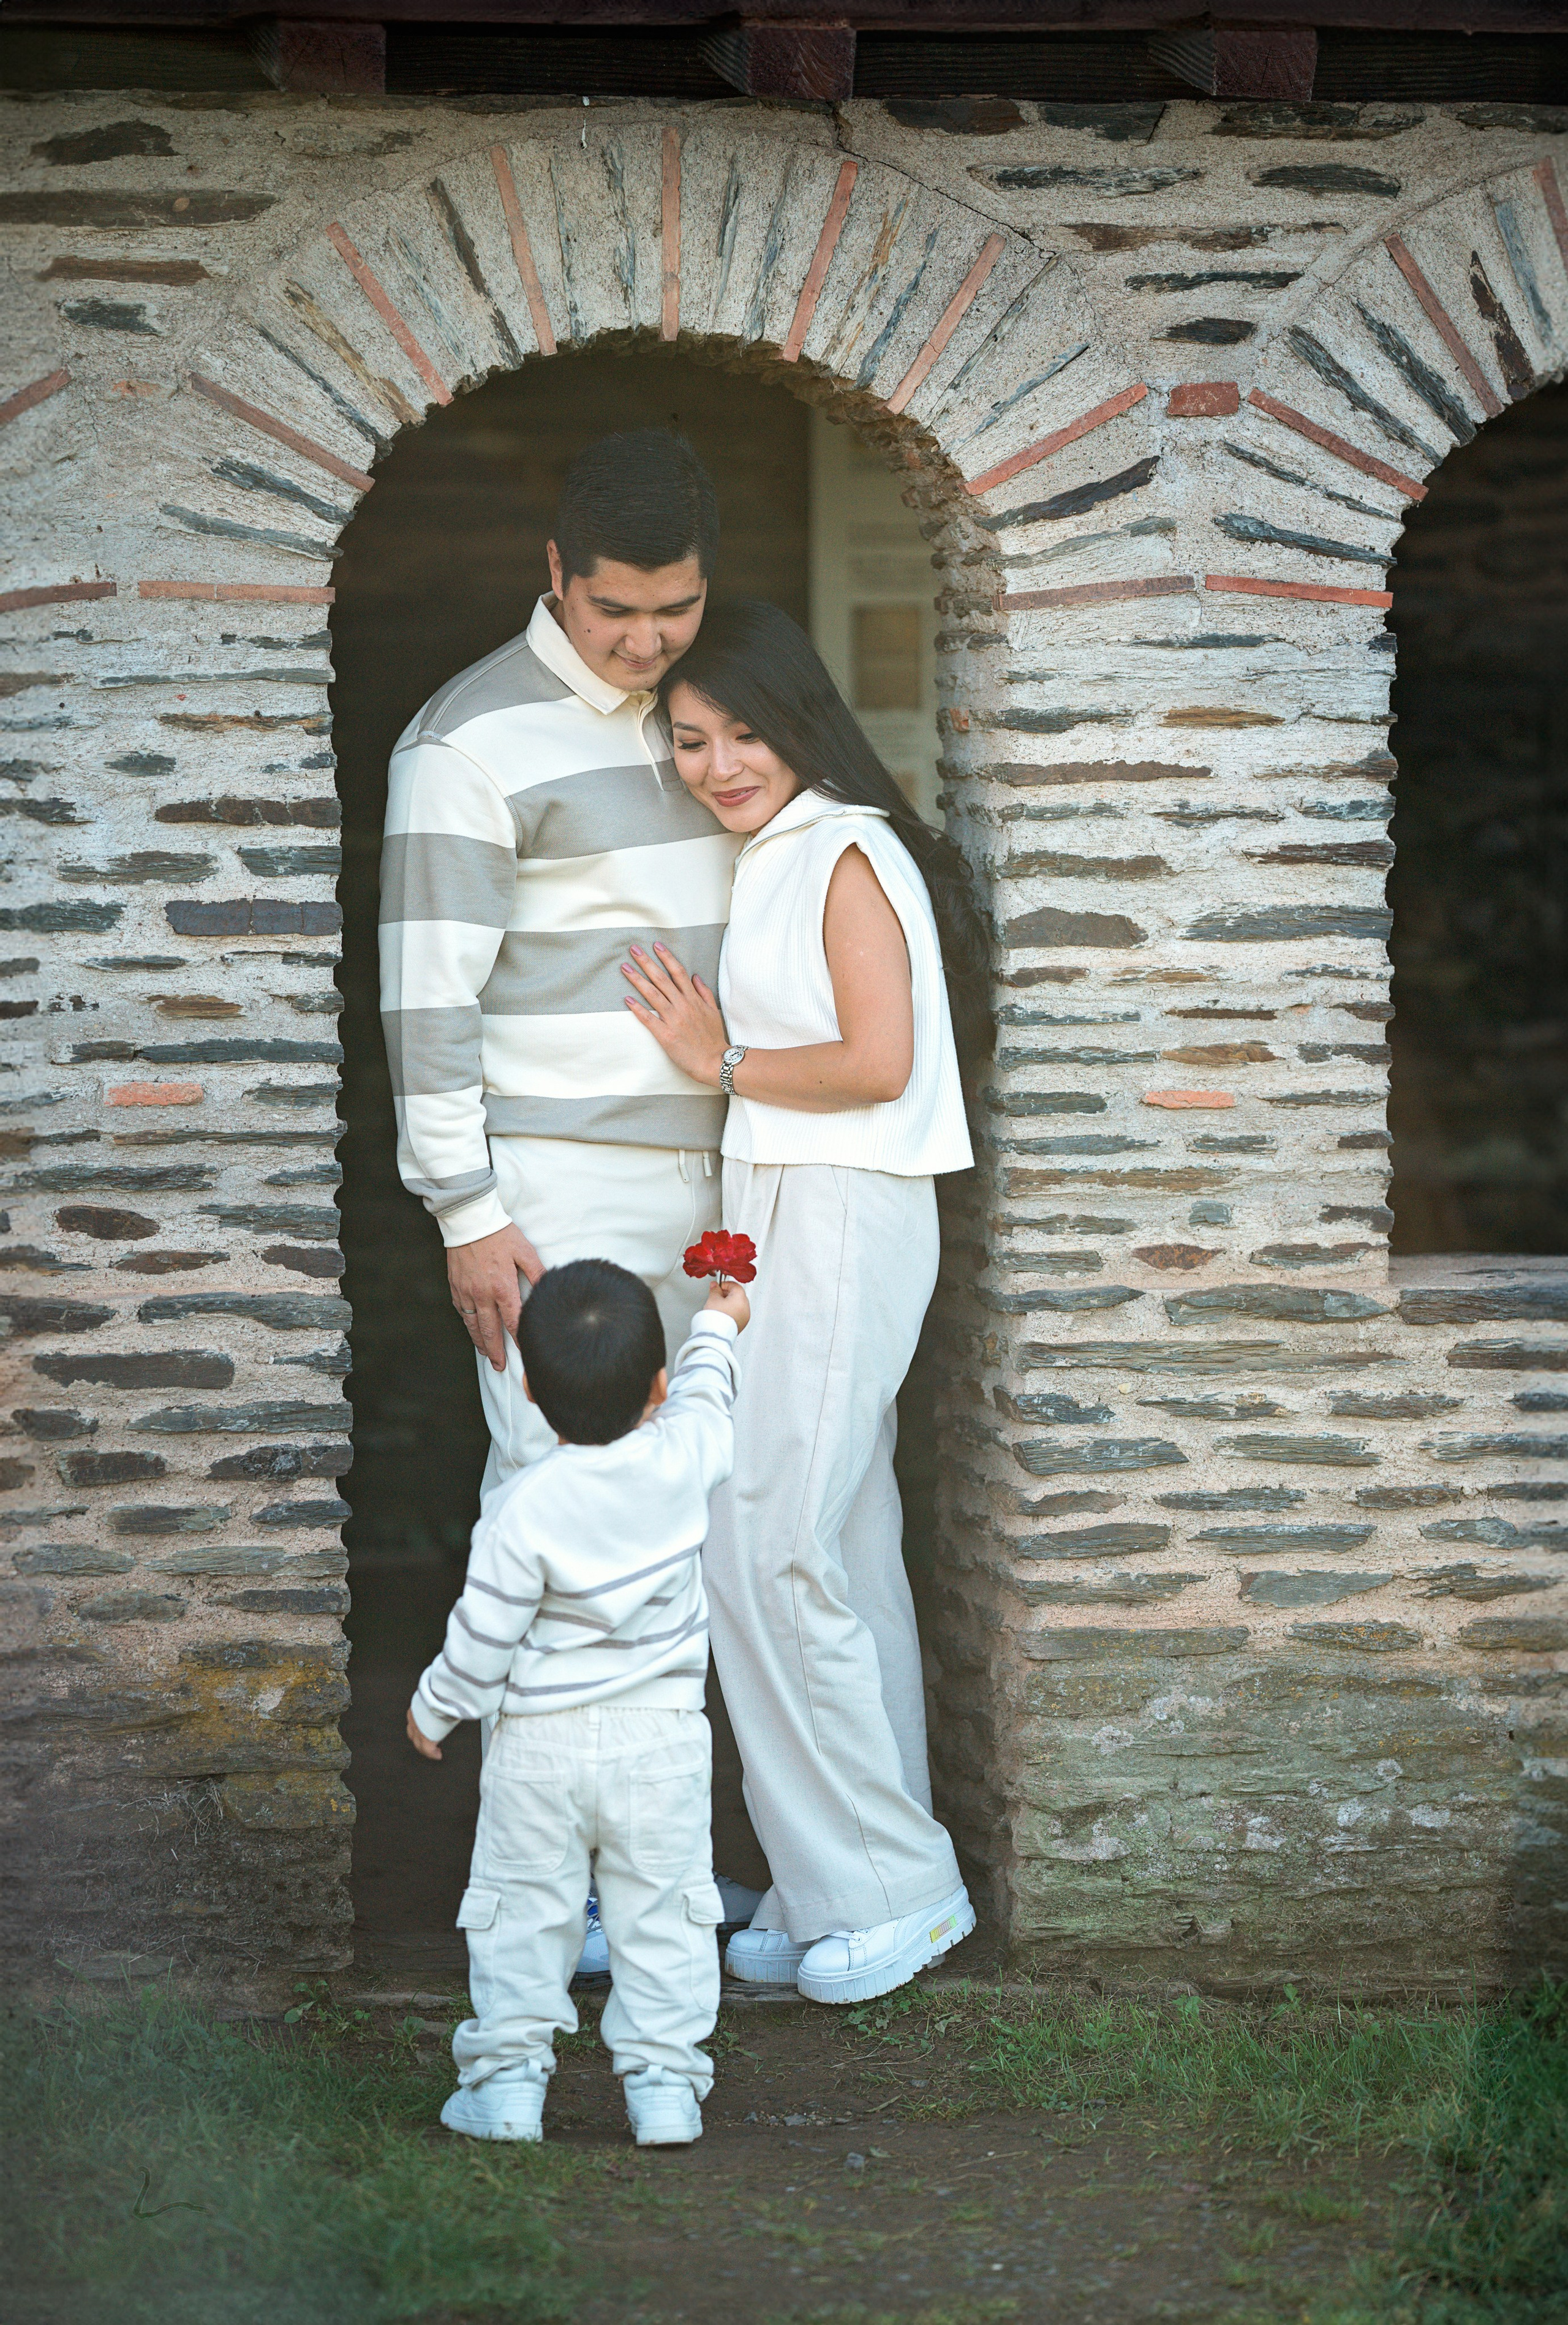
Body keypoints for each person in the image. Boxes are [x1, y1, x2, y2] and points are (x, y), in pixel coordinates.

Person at [380, 428, 758, 1969]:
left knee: (700, 1522)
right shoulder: (467, 740)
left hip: (710, 1174)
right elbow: (426, 997)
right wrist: (467, 1209)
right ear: (554, 571)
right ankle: (551, 1901)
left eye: (673, 606)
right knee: (554, 1519)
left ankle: (664, 1876)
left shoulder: (709, 710)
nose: (648, 637)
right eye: (618, 610)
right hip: (549, 1196)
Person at [620, 599, 991, 2007]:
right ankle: (821, 1874)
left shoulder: (844, 845)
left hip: (844, 1204)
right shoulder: (771, 852)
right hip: (786, 1213)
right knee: (825, 1537)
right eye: (690, 739)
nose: (718, 762)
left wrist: (717, 1058)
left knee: (766, 1538)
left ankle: (900, 1885)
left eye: (742, 731)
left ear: (799, 720)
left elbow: (879, 1063)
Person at [407, 1257, 748, 2146]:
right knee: (666, 1915)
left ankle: (509, 2086)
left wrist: (437, 1706)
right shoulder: (687, 1455)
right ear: (657, 1387)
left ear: (528, 1386)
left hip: (538, 1752)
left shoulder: (521, 1508)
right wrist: (719, 1320)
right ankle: (666, 2089)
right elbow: (711, 1395)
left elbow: (483, 1636)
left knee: (522, 1917)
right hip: (663, 1746)